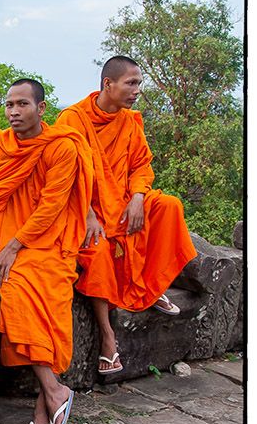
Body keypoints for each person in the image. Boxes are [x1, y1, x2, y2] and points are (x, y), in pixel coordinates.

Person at [0, 79, 93, 424]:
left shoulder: (61, 147)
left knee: (28, 292)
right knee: (12, 289)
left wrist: (15, 247)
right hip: (2, 236)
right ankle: (51, 395)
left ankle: (47, 399)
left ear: (41, 108)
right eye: (9, 105)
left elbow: (53, 204)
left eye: (22, 105)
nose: (14, 112)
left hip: (50, 241)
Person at [55, 56, 196, 376]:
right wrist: (88, 213)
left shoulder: (131, 121)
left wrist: (137, 197)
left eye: (139, 84)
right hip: (82, 208)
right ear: (108, 84)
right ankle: (108, 338)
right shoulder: (72, 120)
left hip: (122, 201)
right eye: (131, 83)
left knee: (169, 207)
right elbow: (65, 175)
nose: (137, 91)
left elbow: (141, 166)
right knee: (98, 251)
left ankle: (150, 284)